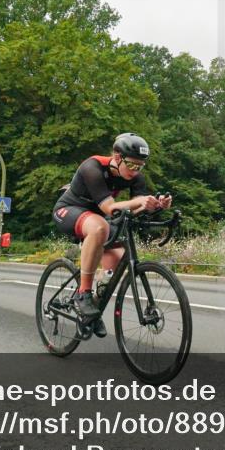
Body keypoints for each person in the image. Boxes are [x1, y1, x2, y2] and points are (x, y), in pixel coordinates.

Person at [51, 133, 171, 338]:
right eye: (131, 164)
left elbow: (134, 211)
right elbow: (110, 208)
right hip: (69, 210)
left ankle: (92, 311)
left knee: (117, 259)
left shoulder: (136, 178)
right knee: (100, 228)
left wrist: (155, 205)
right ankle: (83, 294)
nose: (135, 171)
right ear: (117, 157)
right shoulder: (93, 167)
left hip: (97, 217)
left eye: (140, 166)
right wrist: (140, 201)